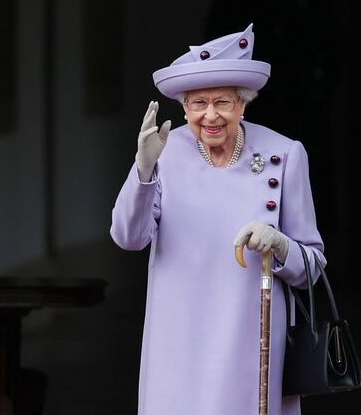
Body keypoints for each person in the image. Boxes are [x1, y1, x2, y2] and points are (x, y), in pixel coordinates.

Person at [110, 23, 325, 414]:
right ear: (184, 107)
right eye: (198, 103)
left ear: (244, 102)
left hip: (251, 343)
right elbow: (129, 237)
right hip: (178, 346)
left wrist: (280, 245)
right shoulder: (165, 152)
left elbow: (312, 267)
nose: (210, 115)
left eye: (223, 102)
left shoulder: (285, 154)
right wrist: (143, 169)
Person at [204, 0, 340, 236]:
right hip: (253, 120)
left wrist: (318, 93)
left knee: (308, 205)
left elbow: (335, 53)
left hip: (305, 119)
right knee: (254, 207)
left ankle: (309, 281)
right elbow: (216, 61)